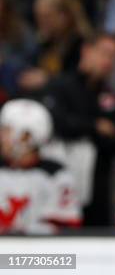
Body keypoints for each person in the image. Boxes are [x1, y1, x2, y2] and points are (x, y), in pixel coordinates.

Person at [43, 34, 115, 227]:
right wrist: (95, 127)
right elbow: (56, 124)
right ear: (87, 51)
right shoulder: (60, 86)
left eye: (114, 57)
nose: (108, 62)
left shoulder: (111, 98)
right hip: (62, 186)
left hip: (99, 191)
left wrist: (85, 129)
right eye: (104, 54)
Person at [0, 99, 81, 234]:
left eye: (6, 130)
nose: (1, 137)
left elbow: (67, 228)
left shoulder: (56, 175)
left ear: (26, 137)